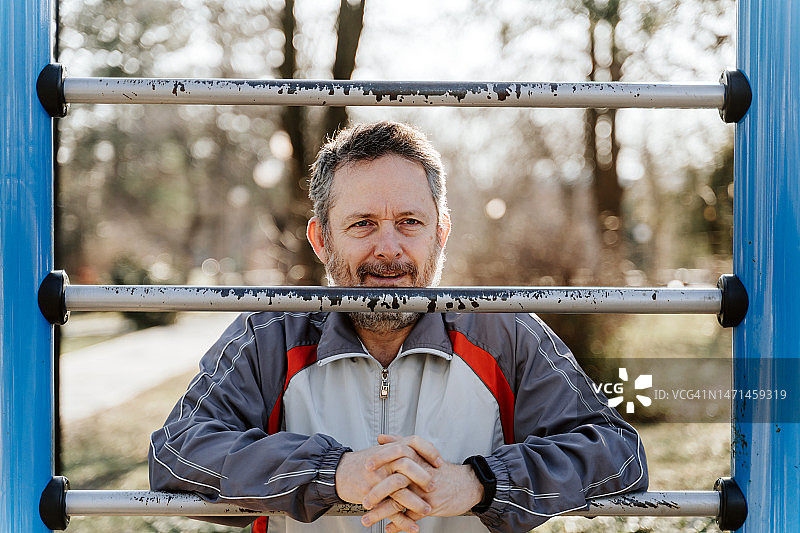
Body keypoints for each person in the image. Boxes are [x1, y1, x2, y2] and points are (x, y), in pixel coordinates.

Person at [149, 121, 648, 533]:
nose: (388, 249)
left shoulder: (504, 330)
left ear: (441, 233)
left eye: (409, 221)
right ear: (321, 240)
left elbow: (620, 457)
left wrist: (481, 483)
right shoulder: (270, 334)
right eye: (362, 223)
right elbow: (175, 455)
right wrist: (332, 472)